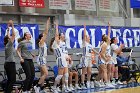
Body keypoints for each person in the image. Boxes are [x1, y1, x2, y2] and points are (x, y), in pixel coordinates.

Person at [50, 22, 69, 93]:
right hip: (60, 59)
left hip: (63, 59)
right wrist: (57, 27)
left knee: (66, 74)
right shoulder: (55, 44)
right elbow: (56, 35)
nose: (58, 37)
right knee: (60, 75)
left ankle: (65, 87)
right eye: (57, 37)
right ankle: (54, 87)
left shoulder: (57, 44)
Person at [34, 18, 50, 93]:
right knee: (46, 74)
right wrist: (47, 23)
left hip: (42, 59)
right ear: (41, 37)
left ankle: (42, 88)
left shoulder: (43, 43)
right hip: (41, 59)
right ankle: (37, 86)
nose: (45, 36)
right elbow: (46, 32)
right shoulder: (41, 41)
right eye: (43, 36)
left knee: (42, 74)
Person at [80, 24, 98, 89]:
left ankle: (88, 82)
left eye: (89, 37)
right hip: (85, 58)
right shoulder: (84, 43)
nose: (89, 38)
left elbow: (94, 50)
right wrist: (84, 28)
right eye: (88, 37)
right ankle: (82, 83)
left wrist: (99, 53)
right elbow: (84, 35)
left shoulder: (90, 45)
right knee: (84, 71)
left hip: (89, 58)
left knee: (89, 71)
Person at [4, 20, 16, 93]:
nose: (11, 37)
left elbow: (9, 36)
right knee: (13, 80)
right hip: (10, 64)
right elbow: (13, 35)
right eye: (9, 37)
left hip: (7, 64)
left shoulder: (7, 44)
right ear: (9, 40)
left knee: (9, 80)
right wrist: (13, 25)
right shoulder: (9, 44)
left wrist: (8, 28)